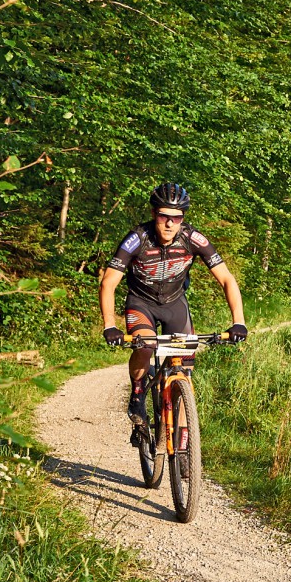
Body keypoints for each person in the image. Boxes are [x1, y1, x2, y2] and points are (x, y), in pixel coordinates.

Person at [99, 182, 247, 425]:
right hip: (141, 303)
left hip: (174, 303)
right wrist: (109, 325)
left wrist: (238, 322)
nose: (169, 224)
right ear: (153, 214)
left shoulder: (193, 238)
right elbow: (109, 282)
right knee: (144, 346)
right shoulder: (137, 238)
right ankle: (137, 392)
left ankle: (183, 443)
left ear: (183, 218)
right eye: (163, 216)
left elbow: (227, 279)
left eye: (176, 218)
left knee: (184, 369)